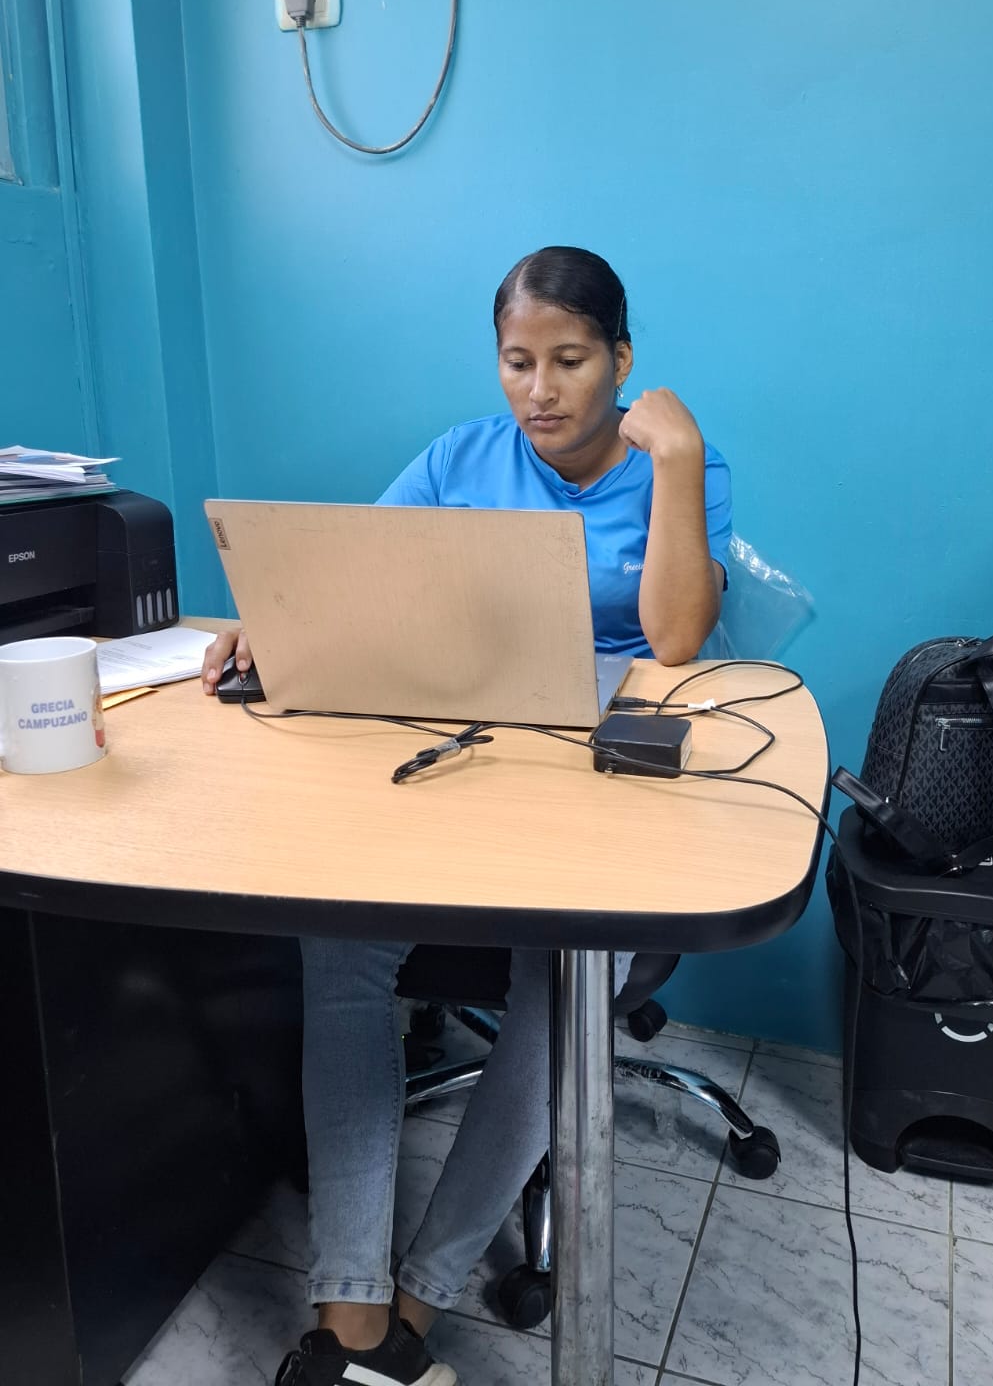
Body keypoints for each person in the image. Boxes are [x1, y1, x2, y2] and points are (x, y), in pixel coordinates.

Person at [200, 246, 733, 1386]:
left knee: (566, 981)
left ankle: (421, 1298)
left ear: (621, 359)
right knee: (337, 941)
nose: (540, 390)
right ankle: (352, 1315)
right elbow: (355, 576)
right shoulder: (460, 458)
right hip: (461, 771)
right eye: (517, 362)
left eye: (570, 360)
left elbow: (679, 639)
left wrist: (680, 462)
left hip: (595, 789)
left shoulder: (675, 465)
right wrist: (270, 618)